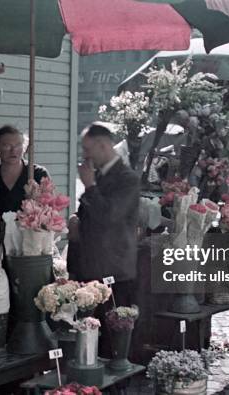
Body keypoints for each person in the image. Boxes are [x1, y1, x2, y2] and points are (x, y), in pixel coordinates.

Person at [68, 122, 140, 307]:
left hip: (114, 269)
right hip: (91, 265)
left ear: (103, 145)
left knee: (113, 328)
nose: (84, 155)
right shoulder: (98, 175)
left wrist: (90, 187)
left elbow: (110, 216)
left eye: (87, 149)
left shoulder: (127, 179)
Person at [0, 125, 49, 216]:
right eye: (7, 146)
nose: (13, 151)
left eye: (18, 145)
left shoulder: (38, 174)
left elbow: (51, 210)